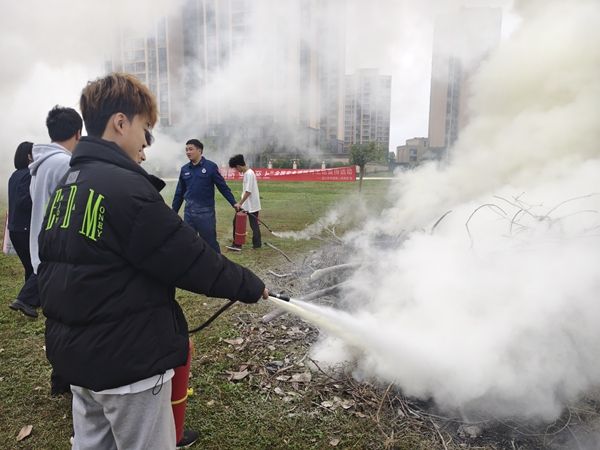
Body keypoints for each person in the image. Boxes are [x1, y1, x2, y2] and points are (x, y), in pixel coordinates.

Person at [37, 73, 268, 450]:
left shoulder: (68, 185)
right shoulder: (126, 189)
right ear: (120, 122)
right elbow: (191, 259)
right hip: (128, 363)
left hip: (77, 360)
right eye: (144, 128)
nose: (146, 142)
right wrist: (250, 285)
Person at [9, 106, 82, 319]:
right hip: (59, 240)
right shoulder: (65, 163)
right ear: (78, 133)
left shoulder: (40, 165)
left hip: (41, 236)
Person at [172, 139, 236, 253]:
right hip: (189, 213)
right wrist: (174, 211)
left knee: (210, 244)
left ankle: (217, 263)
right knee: (189, 243)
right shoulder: (184, 169)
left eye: (191, 149)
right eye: (186, 150)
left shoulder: (211, 167)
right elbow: (179, 193)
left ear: (199, 150)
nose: (188, 152)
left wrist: (234, 203)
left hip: (206, 214)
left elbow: (222, 187)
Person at [7, 142, 35, 311]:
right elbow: (25, 201)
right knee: (39, 265)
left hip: (15, 229)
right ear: (29, 156)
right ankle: (25, 300)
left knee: (29, 267)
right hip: (26, 228)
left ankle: (30, 302)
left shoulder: (14, 175)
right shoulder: (30, 175)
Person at [227, 154, 262, 251]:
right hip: (250, 204)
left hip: (249, 205)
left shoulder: (249, 174)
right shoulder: (248, 173)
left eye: (236, 168)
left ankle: (237, 244)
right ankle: (257, 244)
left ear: (239, 166)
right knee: (253, 224)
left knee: (238, 223)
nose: (236, 170)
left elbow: (248, 191)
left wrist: (240, 203)